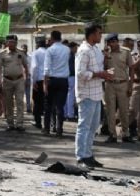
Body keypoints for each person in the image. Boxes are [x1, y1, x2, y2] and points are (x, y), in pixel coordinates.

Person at [75, 23, 110, 168]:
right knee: (84, 126)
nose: (101, 36)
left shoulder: (96, 49)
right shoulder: (83, 50)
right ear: (92, 34)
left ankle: (88, 154)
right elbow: (80, 73)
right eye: (99, 33)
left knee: (94, 126)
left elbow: (98, 69)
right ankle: (81, 156)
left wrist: (105, 74)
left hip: (96, 92)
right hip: (86, 93)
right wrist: (98, 74)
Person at [103, 33, 132, 143]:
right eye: (109, 42)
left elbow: (132, 68)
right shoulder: (106, 52)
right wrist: (106, 55)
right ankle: (112, 134)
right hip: (110, 84)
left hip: (123, 84)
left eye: (113, 42)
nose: (111, 44)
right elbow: (104, 68)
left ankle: (125, 133)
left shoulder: (126, 52)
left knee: (124, 110)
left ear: (117, 41)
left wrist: (130, 85)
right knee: (110, 111)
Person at [0, 35, 28, 131]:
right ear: (6, 43)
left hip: (19, 80)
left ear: (16, 43)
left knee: (20, 102)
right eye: (9, 42)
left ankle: (19, 124)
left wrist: (26, 78)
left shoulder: (21, 53)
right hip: (7, 80)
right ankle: (10, 123)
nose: (11, 44)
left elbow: (25, 66)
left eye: (13, 42)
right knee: (8, 102)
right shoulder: (2, 53)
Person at [43, 30, 69, 137]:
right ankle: (59, 129)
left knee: (48, 106)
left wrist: (45, 84)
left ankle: (47, 129)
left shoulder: (50, 50)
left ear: (52, 38)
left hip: (52, 80)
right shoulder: (67, 49)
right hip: (63, 80)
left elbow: (46, 68)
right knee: (60, 106)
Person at [30, 37, 46, 129]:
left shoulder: (36, 53)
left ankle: (38, 122)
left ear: (37, 44)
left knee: (37, 102)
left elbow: (34, 67)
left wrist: (33, 81)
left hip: (39, 80)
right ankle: (51, 123)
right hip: (48, 80)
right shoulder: (49, 52)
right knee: (48, 102)